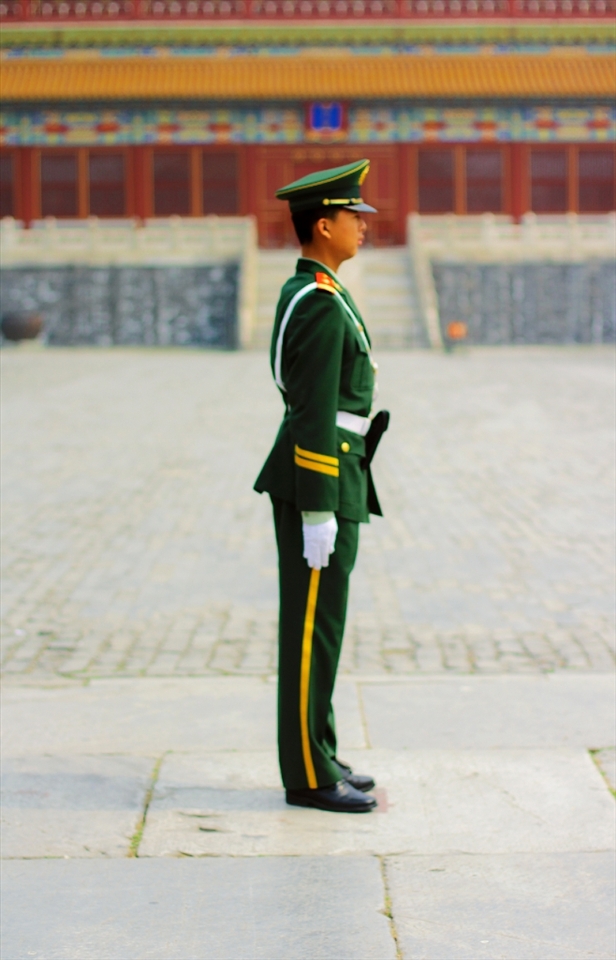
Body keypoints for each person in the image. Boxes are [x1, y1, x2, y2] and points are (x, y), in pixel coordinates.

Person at [254, 159, 389, 813]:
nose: (364, 226)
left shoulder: (319, 291)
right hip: (322, 478)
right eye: (354, 217)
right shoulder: (317, 302)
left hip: (337, 473)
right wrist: (315, 506)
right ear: (325, 224)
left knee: (324, 626)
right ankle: (307, 774)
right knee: (311, 629)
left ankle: (322, 751)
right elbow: (309, 409)